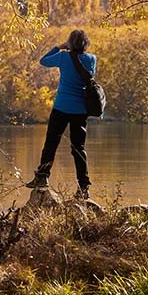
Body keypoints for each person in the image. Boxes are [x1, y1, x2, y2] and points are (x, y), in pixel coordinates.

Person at [25, 29, 97, 199]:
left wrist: (59, 47)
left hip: (62, 108)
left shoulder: (64, 57)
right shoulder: (92, 59)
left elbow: (43, 61)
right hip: (80, 110)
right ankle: (84, 187)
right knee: (78, 148)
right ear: (86, 43)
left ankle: (42, 178)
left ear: (70, 43)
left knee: (51, 143)